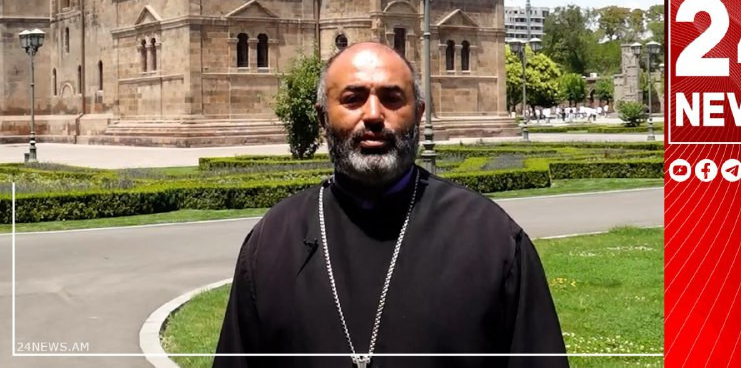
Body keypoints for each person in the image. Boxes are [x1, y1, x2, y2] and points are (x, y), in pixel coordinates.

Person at [214, 42, 568, 368]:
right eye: (353, 98)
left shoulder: (491, 239)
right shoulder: (273, 242)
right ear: (323, 118)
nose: (373, 114)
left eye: (392, 98)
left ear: (419, 114)